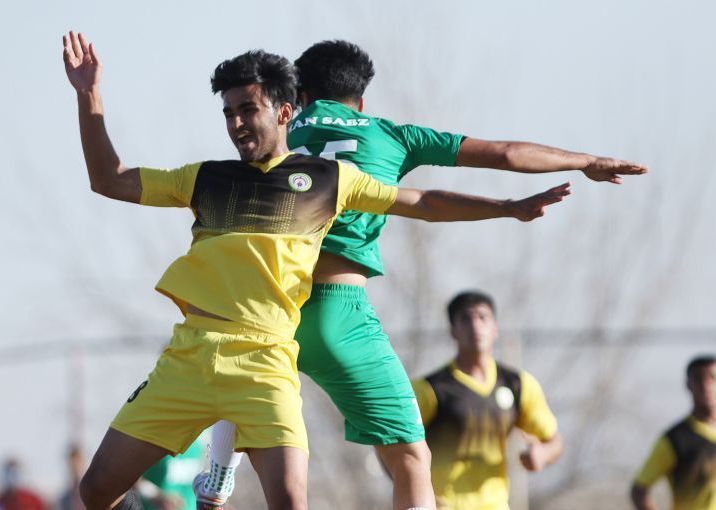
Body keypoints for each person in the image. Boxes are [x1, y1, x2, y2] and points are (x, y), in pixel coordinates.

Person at [62, 31, 569, 510]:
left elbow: (424, 202)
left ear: (286, 111)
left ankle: (220, 467)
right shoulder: (206, 179)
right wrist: (90, 96)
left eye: (248, 110)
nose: (236, 123)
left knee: (290, 502)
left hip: (266, 364)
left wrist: (507, 207)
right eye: (229, 113)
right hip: (191, 357)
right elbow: (109, 179)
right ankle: (218, 467)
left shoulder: (328, 180)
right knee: (96, 491)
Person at [199, 40, 648, 510]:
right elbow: (506, 154)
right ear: (361, 101)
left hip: (261, 305)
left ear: (298, 97)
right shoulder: (391, 135)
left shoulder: (277, 127)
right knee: (411, 457)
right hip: (336, 313)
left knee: (263, 425)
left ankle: (220, 466)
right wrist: (585, 163)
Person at [410, 290, 562, 510]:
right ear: (452, 331)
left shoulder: (517, 385)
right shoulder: (430, 389)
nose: (475, 325)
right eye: (465, 318)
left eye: (483, 317)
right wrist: (409, 489)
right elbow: (392, 445)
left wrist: (542, 454)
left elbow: (555, 442)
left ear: (495, 328)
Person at [630, 356, 716, 510]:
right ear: (688, 385)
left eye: (713, 378)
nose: (706, 385)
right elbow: (639, 490)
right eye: (698, 379)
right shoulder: (676, 439)